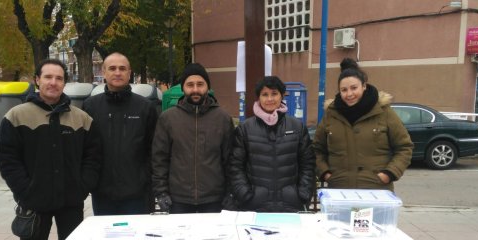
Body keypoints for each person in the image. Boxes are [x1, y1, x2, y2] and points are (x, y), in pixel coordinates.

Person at [0, 59, 100, 240]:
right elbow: (7, 159)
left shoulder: (81, 119)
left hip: (70, 201)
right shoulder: (17, 116)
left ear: (64, 82)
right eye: (48, 77)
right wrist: (25, 191)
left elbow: (93, 157)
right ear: (37, 80)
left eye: (59, 78)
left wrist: (83, 186)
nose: (53, 82)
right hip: (34, 202)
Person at [312, 58, 413, 191]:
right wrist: (325, 173)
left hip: (376, 191)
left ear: (364, 86)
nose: (349, 94)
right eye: (344, 90)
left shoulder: (383, 112)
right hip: (340, 191)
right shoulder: (331, 114)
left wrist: (389, 174)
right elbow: (317, 149)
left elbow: (404, 147)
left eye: (354, 88)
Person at [152, 63, 235, 213]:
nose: (195, 89)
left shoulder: (222, 118)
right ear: (183, 87)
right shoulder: (168, 118)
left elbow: (230, 159)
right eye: (190, 85)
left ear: (207, 87)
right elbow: (159, 159)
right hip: (178, 199)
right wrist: (161, 191)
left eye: (200, 84)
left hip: (214, 199)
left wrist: (230, 191)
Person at [83, 52, 158, 215]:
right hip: (102, 194)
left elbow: (154, 150)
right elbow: (86, 149)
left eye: (122, 68)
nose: (117, 72)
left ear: (129, 73)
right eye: (112, 68)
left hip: (137, 194)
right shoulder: (90, 107)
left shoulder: (145, 107)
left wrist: (147, 180)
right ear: (104, 72)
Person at [228, 76, 315, 212]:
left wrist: (302, 194)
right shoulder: (245, 128)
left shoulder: (297, 127)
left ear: (281, 96)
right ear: (258, 98)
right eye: (265, 94)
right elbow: (235, 166)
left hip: (290, 205)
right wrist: (244, 194)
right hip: (254, 205)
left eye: (274, 94)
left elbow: (307, 164)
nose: (270, 99)